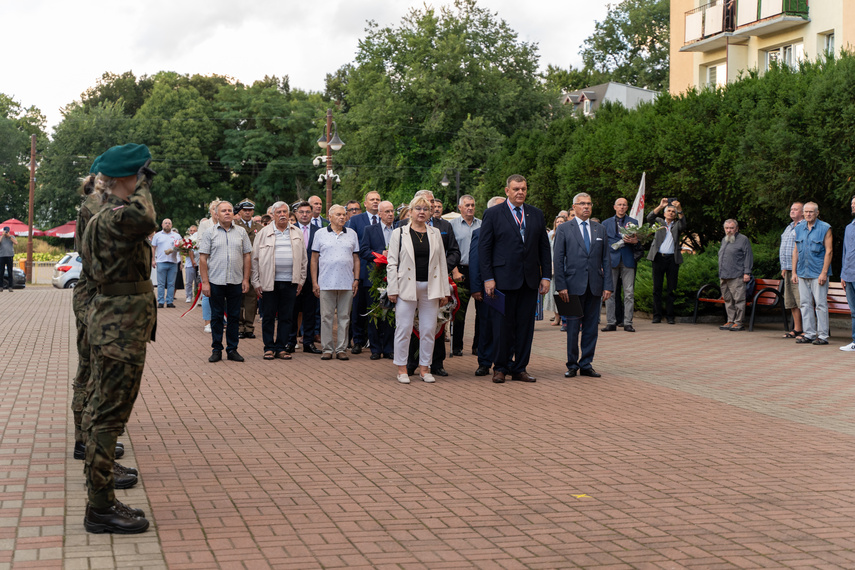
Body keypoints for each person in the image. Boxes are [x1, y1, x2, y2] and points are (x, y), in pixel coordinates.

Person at [79, 143, 157, 533]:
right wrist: (140, 181)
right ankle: (100, 506)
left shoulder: (109, 217)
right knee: (108, 418)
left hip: (118, 325)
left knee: (105, 414)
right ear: (125, 180)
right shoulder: (114, 219)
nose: (145, 184)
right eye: (141, 176)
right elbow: (146, 216)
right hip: (118, 328)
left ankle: (102, 499)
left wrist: (135, 179)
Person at [70, 170, 126, 466]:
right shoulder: (95, 205)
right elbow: (93, 254)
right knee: (91, 371)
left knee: (93, 370)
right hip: (93, 295)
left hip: (99, 294)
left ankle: (89, 438)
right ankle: (86, 440)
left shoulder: (104, 202)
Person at [479, 175, 551, 384]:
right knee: (502, 326)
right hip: (502, 280)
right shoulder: (493, 214)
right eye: (516, 189)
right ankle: (500, 367)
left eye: (524, 189)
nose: (520, 192)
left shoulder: (536, 214)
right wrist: (488, 278)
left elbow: (544, 248)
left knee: (525, 327)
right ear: (507, 191)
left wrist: (545, 276)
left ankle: (520, 368)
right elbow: (485, 249)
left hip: (529, 281)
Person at [387, 195, 451, 384]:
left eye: (425, 209)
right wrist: (393, 288)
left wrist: (445, 290)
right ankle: (402, 368)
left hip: (430, 288)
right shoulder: (399, 233)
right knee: (404, 328)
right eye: (418, 209)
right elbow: (392, 263)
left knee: (428, 329)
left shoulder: (435, 233)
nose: (422, 212)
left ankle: (425, 368)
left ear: (430, 213)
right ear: (410, 212)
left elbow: (441, 263)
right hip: (406, 286)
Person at [554, 193, 613, 378]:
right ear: (574, 207)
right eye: (582, 204)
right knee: (572, 327)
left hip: (594, 285)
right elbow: (558, 258)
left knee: (590, 327)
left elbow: (606, 259)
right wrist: (561, 285)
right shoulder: (564, 229)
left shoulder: (600, 229)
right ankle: (572, 364)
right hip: (571, 287)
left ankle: (586, 363)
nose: (586, 207)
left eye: (589, 204)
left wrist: (608, 285)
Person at [405, 189, 461, 377]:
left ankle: (436, 363)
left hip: (437, 281)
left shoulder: (444, 226)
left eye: (430, 204)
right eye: (423, 204)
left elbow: (454, 251)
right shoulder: (403, 226)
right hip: (412, 282)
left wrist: (443, 269)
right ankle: (411, 363)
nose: (428, 208)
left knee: (436, 322)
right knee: (412, 323)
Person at [251, 201, 307, 360]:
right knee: (268, 316)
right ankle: (269, 347)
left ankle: (281, 348)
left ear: (289, 215)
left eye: (285, 212)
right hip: (269, 282)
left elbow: (303, 260)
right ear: (273, 215)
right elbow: (254, 259)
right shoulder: (263, 233)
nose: (282, 215)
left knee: (286, 316)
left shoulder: (296, 232)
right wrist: (256, 282)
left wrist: (301, 281)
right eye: (279, 212)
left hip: (290, 281)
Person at [199, 201, 252, 362]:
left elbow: (247, 255)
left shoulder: (241, 232)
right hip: (215, 281)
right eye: (223, 210)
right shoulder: (209, 233)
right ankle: (216, 349)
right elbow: (203, 258)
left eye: (229, 210)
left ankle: (232, 349)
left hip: (236, 280)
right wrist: (205, 282)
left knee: (234, 316)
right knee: (216, 317)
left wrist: (245, 279)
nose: (227, 213)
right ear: (217, 214)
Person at [311, 205, 360, 360]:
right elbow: (314, 259)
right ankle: (327, 348)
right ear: (330, 217)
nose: (342, 217)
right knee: (326, 317)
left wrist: (356, 279)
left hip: (347, 282)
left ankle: (341, 349)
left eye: (344, 214)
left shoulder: (352, 234)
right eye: (338, 214)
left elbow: (356, 259)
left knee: (344, 317)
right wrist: (314, 282)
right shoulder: (320, 234)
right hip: (326, 282)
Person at [469, 196, 506, 376]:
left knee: (505, 326)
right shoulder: (480, 231)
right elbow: (475, 262)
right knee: (486, 326)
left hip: (507, 287)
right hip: (486, 288)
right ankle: (484, 362)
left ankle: (504, 360)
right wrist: (476, 288)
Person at [345, 190, 382, 354]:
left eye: (378, 199)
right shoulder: (355, 220)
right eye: (372, 199)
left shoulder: (386, 219)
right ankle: (357, 341)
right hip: (361, 271)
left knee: (376, 309)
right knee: (358, 308)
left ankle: (375, 342)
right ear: (365, 203)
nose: (375, 202)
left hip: (381, 273)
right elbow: (351, 244)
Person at [359, 200, 396, 360]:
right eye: (386, 211)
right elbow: (364, 251)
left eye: (392, 211)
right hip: (374, 277)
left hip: (394, 278)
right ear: (379, 214)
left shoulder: (399, 230)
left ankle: (388, 348)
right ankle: (375, 349)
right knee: (374, 313)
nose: (390, 214)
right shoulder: (370, 230)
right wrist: (381, 255)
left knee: (390, 314)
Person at [792, 201, 833, 345]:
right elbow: (796, 250)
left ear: (817, 213)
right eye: (806, 211)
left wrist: (824, 272)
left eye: (811, 212)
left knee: (821, 304)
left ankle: (822, 336)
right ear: (803, 213)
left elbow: (829, 251)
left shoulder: (825, 228)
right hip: (802, 272)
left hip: (818, 273)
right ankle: (809, 334)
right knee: (804, 304)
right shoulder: (799, 228)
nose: (808, 214)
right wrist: (794, 272)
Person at [647, 198, 688, 324]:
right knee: (657, 288)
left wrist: (680, 209)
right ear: (664, 213)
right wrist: (660, 206)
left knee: (671, 289)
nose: (671, 213)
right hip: (658, 257)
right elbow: (649, 218)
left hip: (672, 259)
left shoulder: (677, 225)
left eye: (673, 212)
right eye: (669, 211)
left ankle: (670, 316)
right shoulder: (659, 222)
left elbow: (684, 225)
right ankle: (657, 315)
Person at [450, 194, 482, 356]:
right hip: (460, 270)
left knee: (481, 312)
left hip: (478, 272)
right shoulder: (453, 225)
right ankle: (457, 346)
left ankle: (478, 346)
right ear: (460, 207)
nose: (470, 208)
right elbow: (450, 250)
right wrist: (455, 271)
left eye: (472, 205)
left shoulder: (481, 225)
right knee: (459, 312)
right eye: (467, 205)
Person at [288, 202, 322, 354]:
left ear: (312, 213)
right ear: (296, 214)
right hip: (294, 277)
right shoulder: (289, 230)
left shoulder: (319, 231)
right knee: (292, 311)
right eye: (301, 212)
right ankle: (290, 341)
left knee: (310, 311)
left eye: (308, 212)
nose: (304, 215)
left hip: (312, 278)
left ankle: (308, 342)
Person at [602, 198, 639, 333]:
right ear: (614, 207)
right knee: (610, 293)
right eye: (619, 205)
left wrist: (635, 241)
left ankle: (628, 322)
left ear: (627, 207)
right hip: (611, 260)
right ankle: (611, 322)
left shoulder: (633, 222)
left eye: (624, 205)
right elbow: (603, 244)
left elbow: (639, 243)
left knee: (629, 293)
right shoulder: (605, 223)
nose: (622, 207)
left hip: (628, 259)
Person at [234, 199, 264, 340]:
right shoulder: (234, 226)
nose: (247, 212)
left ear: (253, 211)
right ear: (240, 211)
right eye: (244, 210)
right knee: (238, 297)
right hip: (238, 266)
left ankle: (249, 327)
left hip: (254, 266)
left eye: (250, 210)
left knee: (252, 298)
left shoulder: (259, 227)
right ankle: (239, 326)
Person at [717, 219, 754, 331]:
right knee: (728, 299)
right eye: (727, 228)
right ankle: (730, 320)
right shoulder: (724, 239)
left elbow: (748, 256)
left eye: (731, 228)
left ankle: (738, 322)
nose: (729, 230)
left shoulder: (743, 239)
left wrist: (747, 272)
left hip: (737, 275)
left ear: (737, 228)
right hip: (724, 275)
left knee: (739, 299)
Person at [780, 202, 804, 338]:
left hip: (799, 269)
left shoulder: (804, 226)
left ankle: (808, 329)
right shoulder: (789, 227)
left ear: (802, 212)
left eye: (796, 209)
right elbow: (783, 247)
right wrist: (783, 266)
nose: (792, 211)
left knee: (802, 300)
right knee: (791, 301)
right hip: (787, 269)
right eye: (791, 209)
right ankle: (797, 328)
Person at [197, 200, 221, 333]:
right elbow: (200, 242)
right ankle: (208, 322)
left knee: (223, 293)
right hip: (208, 262)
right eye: (214, 209)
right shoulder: (205, 224)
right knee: (207, 292)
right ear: (211, 211)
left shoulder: (230, 223)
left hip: (223, 265)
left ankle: (221, 320)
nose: (217, 212)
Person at [150, 218, 181, 308]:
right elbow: (153, 247)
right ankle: (160, 301)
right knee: (161, 284)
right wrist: (153, 260)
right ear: (162, 225)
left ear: (171, 225)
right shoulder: (157, 235)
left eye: (169, 223)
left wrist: (180, 260)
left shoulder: (177, 236)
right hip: (161, 261)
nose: (167, 224)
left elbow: (181, 247)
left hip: (173, 262)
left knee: (171, 283)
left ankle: (170, 301)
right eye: (165, 223)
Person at [840, 195, 855, 352]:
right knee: (854, 311)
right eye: (852, 204)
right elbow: (845, 252)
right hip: (849, 274)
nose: (853, 206)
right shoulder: (849, 227)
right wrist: (843, 274)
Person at [544, 216, 566, 325]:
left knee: (562, 293)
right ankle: (557, 317)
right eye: (557, 221)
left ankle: (564, 317)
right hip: (553, 268)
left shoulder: (568, 233)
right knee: (553, 293)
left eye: (562, 221)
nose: (559, 223)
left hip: (564, 267)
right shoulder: (551, 235)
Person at [183, 225, 198, 303]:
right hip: (189, 264)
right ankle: (188, 296)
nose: (192, 232)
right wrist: (186, 251)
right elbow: (183, 252)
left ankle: (197, 296)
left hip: (198, 263)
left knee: (197, 281)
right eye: (191, 231)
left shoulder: (199, 239)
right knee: (189, 281)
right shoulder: (187, 241)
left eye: (194, 230)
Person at [0, 226, 17, 291]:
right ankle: (1, 286)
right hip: (2, 256)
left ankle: (10, 287)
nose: (6, 232)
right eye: (5, 231)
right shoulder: (1, 237)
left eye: (7, 231)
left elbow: (16, 243)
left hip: (10, 256)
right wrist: (2, 235)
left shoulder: (12, 237)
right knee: (1, 271)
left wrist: (9, 236)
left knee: (10, 271)